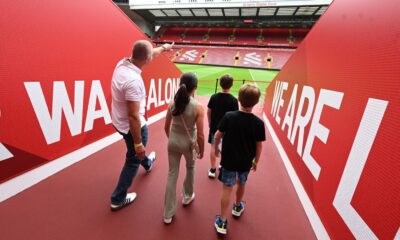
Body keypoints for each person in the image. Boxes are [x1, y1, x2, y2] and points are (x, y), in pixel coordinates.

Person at [110, 40, 174, 211]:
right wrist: (138, 144)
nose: (152, 57)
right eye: (150, 56)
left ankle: (146, 162)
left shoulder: (122, 63)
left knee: (135, 151)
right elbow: (133, 117)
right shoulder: (134, 82)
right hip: (131, 126)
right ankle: (118, 199)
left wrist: (164, 48)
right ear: (146, 59)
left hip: (118, 121)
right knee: (133, 157)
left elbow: (151, 53)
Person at [213, 84, 266, 235]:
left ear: (239, 99)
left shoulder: (229, 116)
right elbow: (259, 146)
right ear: (256, 102)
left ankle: (222, 221)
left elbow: (217, 135)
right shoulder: (258, 123)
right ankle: (237, 207)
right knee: (241, 183)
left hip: (228, 161)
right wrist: (256, 161)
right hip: (245, 162)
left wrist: (216, 147)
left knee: (227, 188)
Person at [163, 72, 205, 224]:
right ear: (195, 87)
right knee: (191, 168)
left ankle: (167, 213)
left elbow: (166, 127)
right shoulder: (198, 107)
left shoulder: (172, 103)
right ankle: (187, 196)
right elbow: (200, 135)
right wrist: (202, 150)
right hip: (189, 144)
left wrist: (173, 140)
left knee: (172, 174)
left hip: (173, 142)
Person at [207, 74, 238, 178]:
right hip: (228, 129)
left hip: (214, 126)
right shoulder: (234, 100)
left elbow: (209, 111)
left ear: (220, 84)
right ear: (231, 85)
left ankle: (212, 169)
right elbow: (235, 116)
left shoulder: (214, 97)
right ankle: (222, 165)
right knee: (226, 146)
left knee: (213, 146)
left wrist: (209, 122)